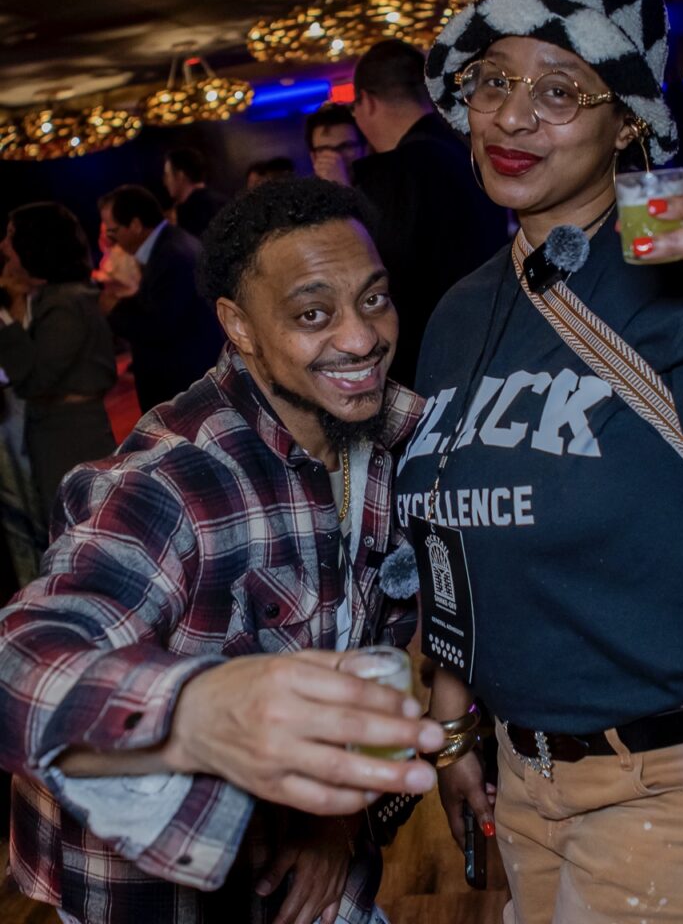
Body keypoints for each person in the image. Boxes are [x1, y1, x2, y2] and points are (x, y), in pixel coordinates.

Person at [396, 0, 683, 924]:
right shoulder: (461, 309)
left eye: (558, 90)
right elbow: (459, 525)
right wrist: (462, 732)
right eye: (495, 79)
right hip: (531, 778)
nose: (510, 115)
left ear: (629, 122)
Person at [0, 177, 445, 924]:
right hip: (150, 893)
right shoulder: (169, 478)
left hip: (317, 866)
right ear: (238, 326)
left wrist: (335, 822)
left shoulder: (400, 436)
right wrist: (197, 711)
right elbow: (20, 660)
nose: (361, 336)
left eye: (373, 299)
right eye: (312, 313)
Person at [350, 39, 509, 386]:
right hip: (495, 342)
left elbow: (384, 285)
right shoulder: (470, 153)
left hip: (429, 362)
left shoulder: (396, 173)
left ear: (367, 102)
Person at [0, 202, 116, 519]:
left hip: (71, 434)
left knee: (84, 522)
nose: (3, 246)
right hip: (57, 427)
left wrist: (8, 314)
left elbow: (33, 378)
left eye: (10, 236)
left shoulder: (66, 303)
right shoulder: (52, 296)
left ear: (34, 242)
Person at [98, 185, 225, 412]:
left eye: (113, 231)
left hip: (187, 389)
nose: (111, 240)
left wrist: (114, 309)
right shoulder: (168, 244)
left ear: (135, 225)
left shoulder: (172, 254)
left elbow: (160, 327)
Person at [163, 146, 227, 237]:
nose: (165, 182)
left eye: (167, 175)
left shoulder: (191, 214)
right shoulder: (224, 203)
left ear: (180, 176)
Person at [307, 102, 367, 186]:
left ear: (364, 149)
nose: (337, 159)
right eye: (325, 149)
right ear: (313, 157)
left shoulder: (384, 187)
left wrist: (341, 185)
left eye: (346, 147)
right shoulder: (306, 196)